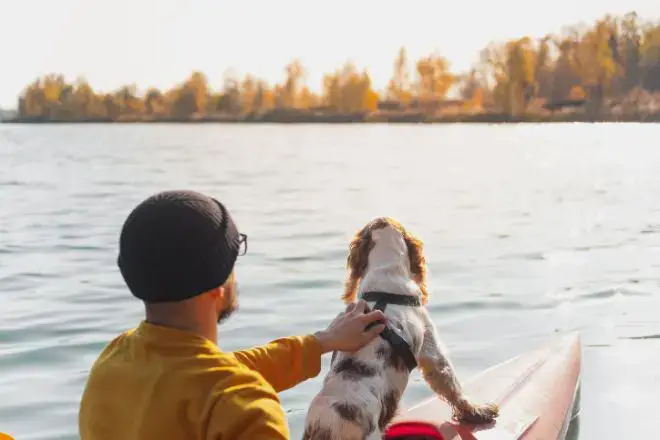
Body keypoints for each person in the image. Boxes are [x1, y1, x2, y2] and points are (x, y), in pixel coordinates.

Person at [78, 190, 387, 440]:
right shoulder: (248, 412)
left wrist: (324, 342)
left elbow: (215, 373)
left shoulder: (112, 363)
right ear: (218, 287)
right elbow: (220, 384)